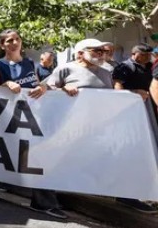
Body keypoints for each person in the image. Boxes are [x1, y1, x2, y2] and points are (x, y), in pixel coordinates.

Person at [44, 38, 157, 214]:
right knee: (63, 160)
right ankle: (50, 198)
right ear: (80, 53)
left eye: (102, 51)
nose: (101, 54)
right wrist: (63, 90)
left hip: (101, 127)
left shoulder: (107, 71)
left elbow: (113, 95)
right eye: (96, 51)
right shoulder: (65, 69)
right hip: (72, 128)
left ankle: (126, 195)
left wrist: (133, 93)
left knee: (118, 158)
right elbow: (46, 92)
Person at [0, 29, 66, 219]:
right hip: (7, 119)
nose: (14, 43)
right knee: (3, 152)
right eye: (9, 40)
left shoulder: (30, 63)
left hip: (31, 117)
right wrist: (5, 85)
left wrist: (43, 87)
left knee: (38, 156)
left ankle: (43, 202)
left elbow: (37, 85)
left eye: (17, 39)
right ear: (2, 45)